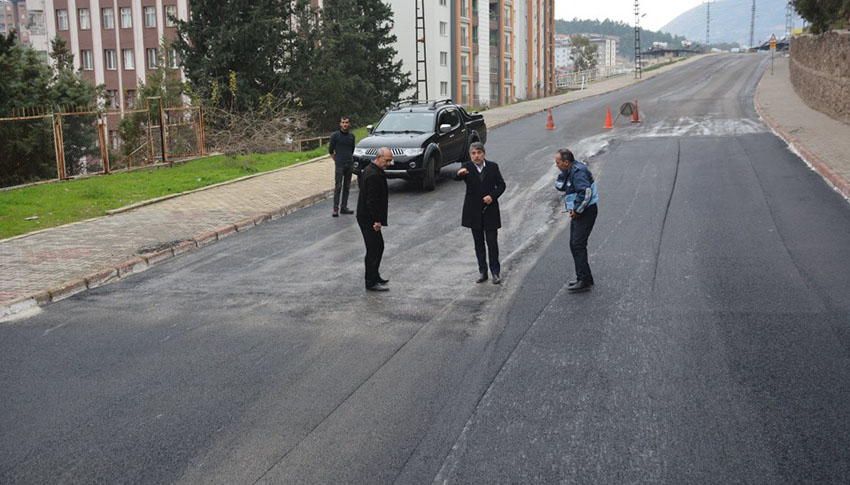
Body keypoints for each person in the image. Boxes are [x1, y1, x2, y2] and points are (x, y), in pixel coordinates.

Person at [455, 142, 506, 284]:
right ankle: (482, 272)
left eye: (479, 153)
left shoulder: (493, 167)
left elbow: (501, 185)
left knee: (492, 243)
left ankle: (495, 272)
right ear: (470, 155)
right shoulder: (466, 167)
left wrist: (492, 196)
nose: (476, 156)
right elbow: (457, 177)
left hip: (490, 210)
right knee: (479, 244)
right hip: (474, 211)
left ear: (484, 153)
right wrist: (459, 174)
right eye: (473, 153)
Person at [554, 148, 599, 293]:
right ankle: (585, 277)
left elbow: (586, 193)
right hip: (579, 212)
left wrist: (577, 210)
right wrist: (562, 175)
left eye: (558, 162)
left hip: (585, 212)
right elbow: (560, 186)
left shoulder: (578, 172)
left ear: (566, 162)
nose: (556, 164)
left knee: (577, 244)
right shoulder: (569, 171)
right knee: (575, 244)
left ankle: (584, 280)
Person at [356, 147, 393, 291]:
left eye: (390, 160)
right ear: (378, 157)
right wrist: (376, 221)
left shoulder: (373, 170)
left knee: (379, 246)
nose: (389, 163)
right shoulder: (372, 174)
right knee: (373, 248)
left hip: (369, 217)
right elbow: (371, 201)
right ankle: (370, 281)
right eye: (387, 160)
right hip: (368, 218)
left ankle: (375, 275)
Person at [329, 116, 356, 217]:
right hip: (340, 165)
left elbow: (352, 149)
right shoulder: (335, 136)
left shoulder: (352, 136)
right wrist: (336, 160)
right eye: (343, 122)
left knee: (347, 186)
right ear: (340, 124)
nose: (345, 124)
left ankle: (344, 207)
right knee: (338, 186)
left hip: (349, 164)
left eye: (347, 122)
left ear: (349, 124)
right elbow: (331, 151)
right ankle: (335, 208)